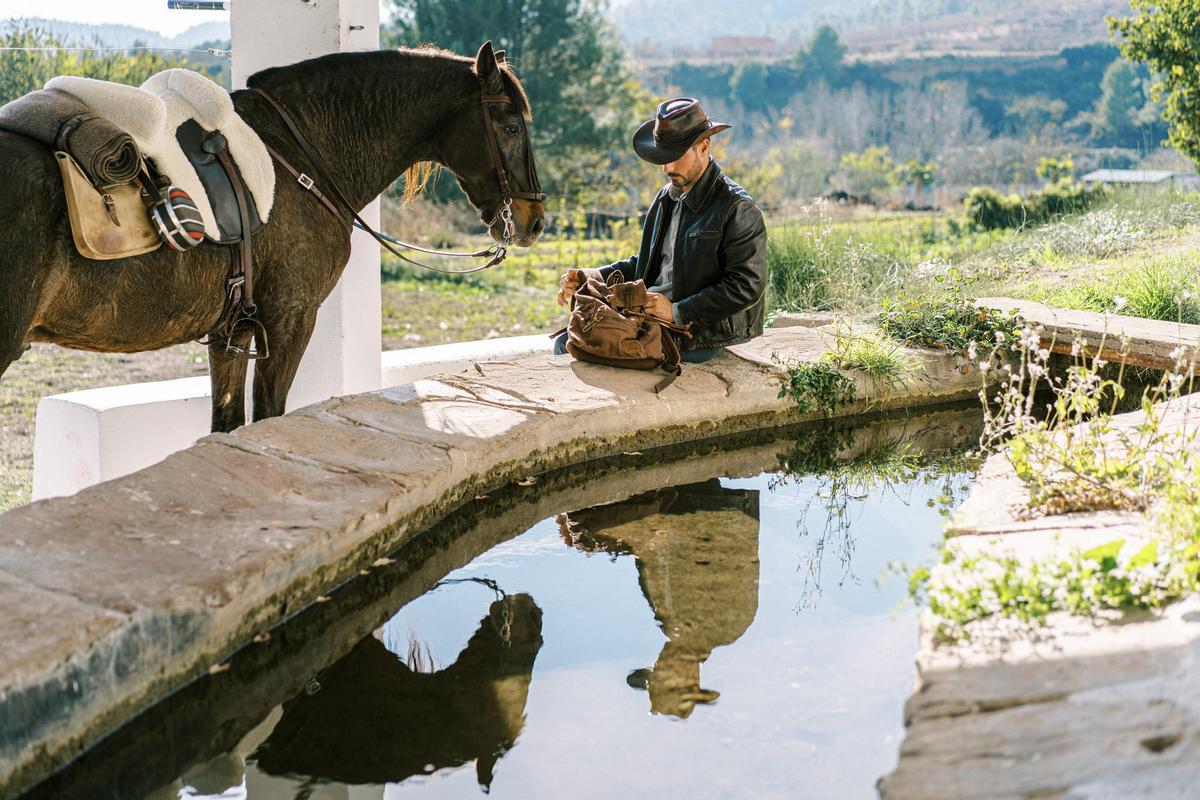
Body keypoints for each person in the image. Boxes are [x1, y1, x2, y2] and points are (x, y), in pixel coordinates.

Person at [554, 97, 768, 363]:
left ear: (703, 147)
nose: (667, 168)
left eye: (676, 157)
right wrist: (591, 275)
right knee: (568, 342)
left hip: (699, 331)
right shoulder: (666, 198)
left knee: (581, 348)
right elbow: (645, 262)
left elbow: (747, 286)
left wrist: (677, 311)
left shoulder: (736, 207)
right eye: (663, 159)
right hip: (650, 317)